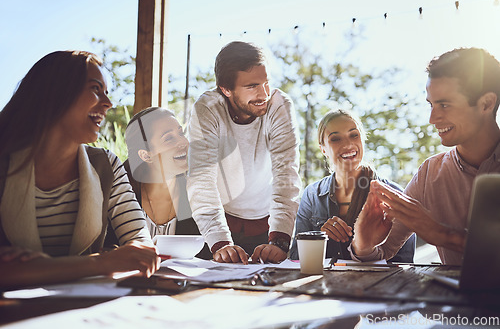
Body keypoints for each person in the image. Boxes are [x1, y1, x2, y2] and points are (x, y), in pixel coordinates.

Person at [0, 50, 160, 289]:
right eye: (96, 89)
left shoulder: (106, 165)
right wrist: (101, 262)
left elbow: (142, 252)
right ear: (53, 93)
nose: (108, 104)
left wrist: (40, 268)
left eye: (106, 92)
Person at [351, 47, 500, 265]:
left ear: (486, 103)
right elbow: (384, 252)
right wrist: (364, 245)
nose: (432, 118)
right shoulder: (429, 174)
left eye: (444, 105)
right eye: (431, 104)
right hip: (449, 299)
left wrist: (444, 235)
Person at [187, 41, 301, 264]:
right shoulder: (207, 109)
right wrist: (220, 242)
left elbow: (286, 175)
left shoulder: (280, 107)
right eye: (252, 86)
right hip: (218, 224)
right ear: (226, 90)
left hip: (269, 225)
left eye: (266, 83)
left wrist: (279, 241)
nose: (264, 94)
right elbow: (202, 180)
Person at [289, 109, 415, 262]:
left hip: (378, 285)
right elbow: (297, 258)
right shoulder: (311, 195)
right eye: (335, 139)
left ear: (363, 139)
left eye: (354, 135)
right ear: (323, 149)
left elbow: (403, 263)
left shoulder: (394, 194)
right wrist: (318, 240)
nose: (348, 144)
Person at [124, 107, 211, 258]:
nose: (183, 142)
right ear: (146, 155)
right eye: (169, 138)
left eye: (181, 133)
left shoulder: (199, 192)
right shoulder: (121, 194)